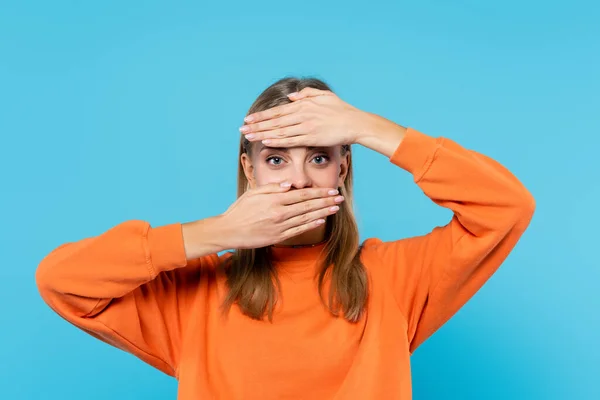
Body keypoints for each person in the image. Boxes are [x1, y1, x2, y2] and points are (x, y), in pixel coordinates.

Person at [36, 77, 536, 399]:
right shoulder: (196, 293)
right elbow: (60, 280)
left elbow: (507, 207)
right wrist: (215, 233)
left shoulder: (395, 278)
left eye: (318, 157)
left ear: (343, 167)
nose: (297, 180)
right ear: (248, 171)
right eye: (276, 159)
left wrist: (370, 128)